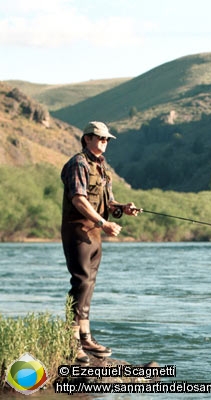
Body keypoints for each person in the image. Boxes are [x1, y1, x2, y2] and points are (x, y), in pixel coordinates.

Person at [61, 121, 138, 363]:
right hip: (78, 230)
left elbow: (108, 202)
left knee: (89, 284)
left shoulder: (103, 167)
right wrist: (104, 224)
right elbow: (79, 200)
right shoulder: (78, 163)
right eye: (100, 138)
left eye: (107, 140)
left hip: (94, 233)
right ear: (87, 139)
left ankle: (85, 336)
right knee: (81, 281)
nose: (105, 142)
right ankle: (71, 341)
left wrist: (123, 208)